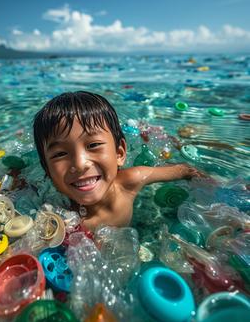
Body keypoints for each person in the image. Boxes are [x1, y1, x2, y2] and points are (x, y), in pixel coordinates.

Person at [33, 91, 206, 231]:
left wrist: (209, 184)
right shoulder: (54, 218)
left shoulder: (130, 182)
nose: (79, 164)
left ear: (119, 153)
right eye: (60, 154)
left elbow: (183, 170)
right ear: (47, 169)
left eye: (93, 145)